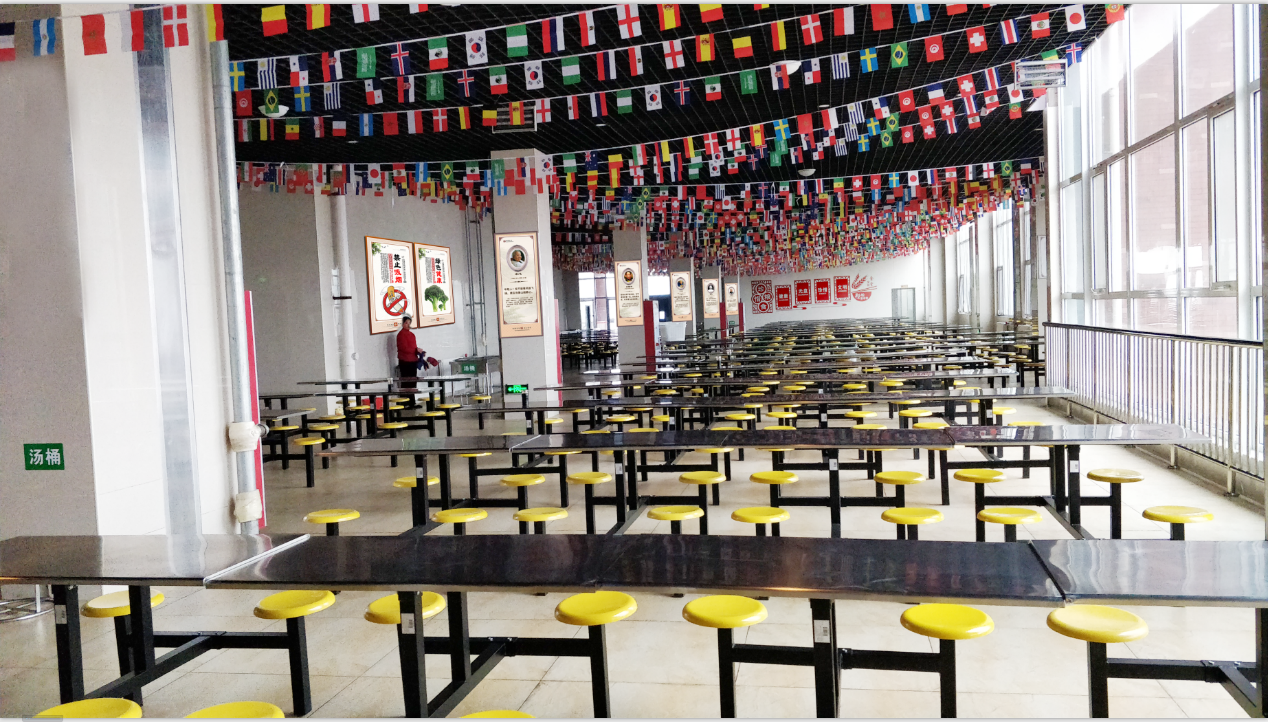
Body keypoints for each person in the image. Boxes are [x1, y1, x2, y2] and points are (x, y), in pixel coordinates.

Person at [396, 313, 422, 389]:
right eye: (406, 323)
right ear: (402, 324)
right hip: (405, 362)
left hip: (413, 360)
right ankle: (406, 396)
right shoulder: (401, 335)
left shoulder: (412, 335)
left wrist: (418, 351)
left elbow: (413, 346)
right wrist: (415, 350)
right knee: (406, 382)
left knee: (413, 382)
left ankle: (412, 396)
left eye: (409, 323)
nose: (408, 325)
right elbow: (404, 348)